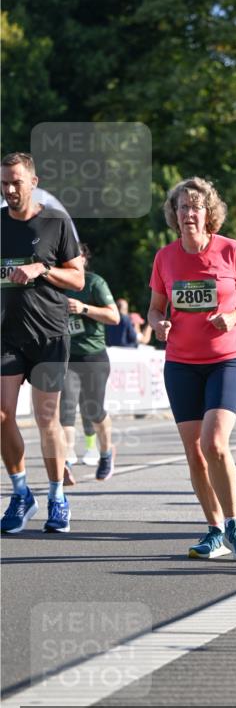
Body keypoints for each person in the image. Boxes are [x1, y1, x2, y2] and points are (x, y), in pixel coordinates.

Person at [147, 177, 236, 560]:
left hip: (226, 359)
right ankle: (214, 530)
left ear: (208, 212)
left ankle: (235, 524)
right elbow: (155, 306)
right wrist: (157, 323)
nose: (188, 213)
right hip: (181, 363)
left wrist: (235, 315)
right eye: (182, 207)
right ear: (174, 213)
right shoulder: (165, 257)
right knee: (194, 452)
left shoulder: (230, 250)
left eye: (195, 206)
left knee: (213, 443)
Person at [1, 151, 84, 534]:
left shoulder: (55, 222)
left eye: (16, 182)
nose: (9, 189)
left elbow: (78, 280)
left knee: (46, 419)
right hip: (6, 333)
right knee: (1, 416)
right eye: (4, 183)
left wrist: (42, 269)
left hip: (49, 333)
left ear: (33, 182)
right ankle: (21, 494)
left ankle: (56, 496)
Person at [59, 244, 120, 483]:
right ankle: (64, 462)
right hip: (66, 357)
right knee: (65, 411)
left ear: (83, 259)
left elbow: (114, 316)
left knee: (93, 410)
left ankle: (106, 453)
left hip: (93, 356)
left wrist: (84, 308)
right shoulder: (56, 283)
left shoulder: (95, 283)